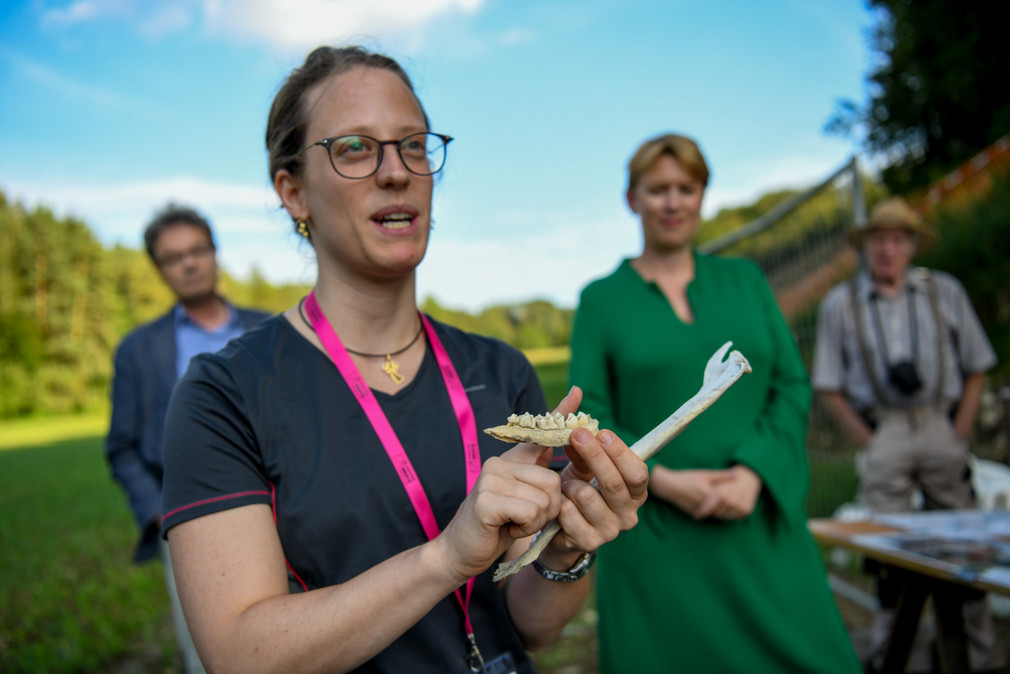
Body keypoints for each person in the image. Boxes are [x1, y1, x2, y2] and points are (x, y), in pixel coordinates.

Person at [158, 45, 649, 674]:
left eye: (413, 144)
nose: (397, 172)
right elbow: (239, 655)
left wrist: (565, 552)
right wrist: (445, 557)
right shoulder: (223, 394)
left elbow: (533, 627)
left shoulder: (500, 369)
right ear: (293, 191)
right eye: (356, 148)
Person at [569, 133, 862, 673]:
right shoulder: (601, 300)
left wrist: (754, 471)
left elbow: (791, 384)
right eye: (658, 189)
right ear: (631, 199)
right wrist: (665, 482)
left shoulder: (745, 280)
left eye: (686, 187)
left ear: (703, 196)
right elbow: (593, 415)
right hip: (656, 533)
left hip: (758, 518)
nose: (673, 201)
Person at [812, 196, 998, 671]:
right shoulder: (842, 302)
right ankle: (896, 658)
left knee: (965, 544)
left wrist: (959, 429)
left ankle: (974, 656)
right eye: (879, 240)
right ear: (867, 247)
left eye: (897, 239)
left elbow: (977, 365)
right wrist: (867, 440)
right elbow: (829, 384)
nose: (888, 249)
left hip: (939, 422)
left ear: (911, 244)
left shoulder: (944, 291)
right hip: (884, 428)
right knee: (889, 553)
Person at [105, 203, 270, 673]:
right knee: (213, 652)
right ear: (160, 268)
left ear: (216, 253)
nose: (189, 263)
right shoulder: (138, 349)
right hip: (192, 517)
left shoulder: (272, 329)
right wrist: (161, 515)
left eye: (198, 250)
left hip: (287, 502)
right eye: (174, 256)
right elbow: (120, 447)